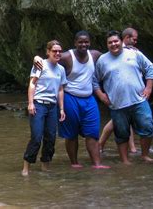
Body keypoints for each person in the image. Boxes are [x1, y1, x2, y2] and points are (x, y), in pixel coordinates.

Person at [34, 31, 109, 169]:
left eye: (86, 42)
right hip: (70, 97)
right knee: (71, 133)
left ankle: (97, 164)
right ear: (75, 43)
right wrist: (36, 58)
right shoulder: (68, 56)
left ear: (90, 42)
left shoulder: (95, 55)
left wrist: (128, 49)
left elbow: (111, 57)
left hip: (89, 98)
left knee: (92, 132)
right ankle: (74, 163)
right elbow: (49, 57)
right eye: (80, 42)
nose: (83, 44)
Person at [93, 30, 153, 164]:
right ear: (107, 44)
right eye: (110, 42)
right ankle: (125, 160)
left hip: (138, 100)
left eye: (116, 41)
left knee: (148, 127)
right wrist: (101, 95)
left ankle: (145, 155)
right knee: (121, 134)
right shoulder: (102, 61)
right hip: (117, 104)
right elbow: (94, 80)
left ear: (121, 41)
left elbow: (150, 68)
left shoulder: (134, 53)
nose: (113, 44)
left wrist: (148, 88)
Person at [22, 40, 66, 176]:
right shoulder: (40, 64)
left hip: (52, 106)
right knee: (36, 137)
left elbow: (60, 89)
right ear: (48, 52)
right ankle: (26, 167)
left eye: (59, 51)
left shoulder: (61, 69)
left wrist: (61, 109)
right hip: (39, 104)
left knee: (51, 138)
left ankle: (45, 166)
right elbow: (32, 84)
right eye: (54, 51)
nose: (57, 53)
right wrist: (30, 103)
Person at [99, 27, 139, 153]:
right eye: (134, 39)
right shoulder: (115, 52)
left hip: (130, 92)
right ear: (126, 38)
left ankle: (131, 147)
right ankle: (100, 145)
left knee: (124, 121)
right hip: (118, 93)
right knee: (116, 121)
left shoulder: (131, 51)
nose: (136, 42)